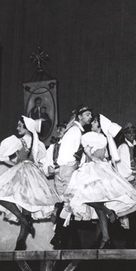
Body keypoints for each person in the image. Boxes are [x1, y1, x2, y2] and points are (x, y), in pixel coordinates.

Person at [63, 114, 136, 249]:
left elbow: (88, 152)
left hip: (93, 169)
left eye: (94, 122)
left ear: (98, 125)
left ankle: (106, 227)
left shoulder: (89, 136)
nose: (92, 124)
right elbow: (104, 155)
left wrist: (92, 158)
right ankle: (106, 236)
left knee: (83, 197)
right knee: (96, 202)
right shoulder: (104, 139)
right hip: (101, 168)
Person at [0, 116, 60, 250]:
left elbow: (2, 157)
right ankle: (22, 233)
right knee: (26, 207)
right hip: (33, 173)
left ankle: (20, 239)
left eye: (20, 126)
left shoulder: (19, 141)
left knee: (1, 196)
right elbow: (39, 160)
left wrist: (15, 164)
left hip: (22, 171)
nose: (18, 128)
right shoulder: (38, 143)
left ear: (27, 128)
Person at [49, 105, 92, 249]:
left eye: (90, 114)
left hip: (64, 169)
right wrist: (73, 164)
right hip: (68, 168)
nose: (90, 117)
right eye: (87, 114)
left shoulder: (74, 130)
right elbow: (68, 152)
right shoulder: (75, 131)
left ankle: (66, 239)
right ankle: (59, 236)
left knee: (68, 205)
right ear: (79, 116)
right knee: (70, 204)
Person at [116, 123, 136, 247]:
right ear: (125, 134)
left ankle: (133, 236)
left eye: (133, 132)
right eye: (128, 133)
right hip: (127, 180)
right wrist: (130, 174)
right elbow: (121, 164)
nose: (131, 135)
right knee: (127, 208)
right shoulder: (123, 147)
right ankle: (128, 238)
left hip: (135, 179)